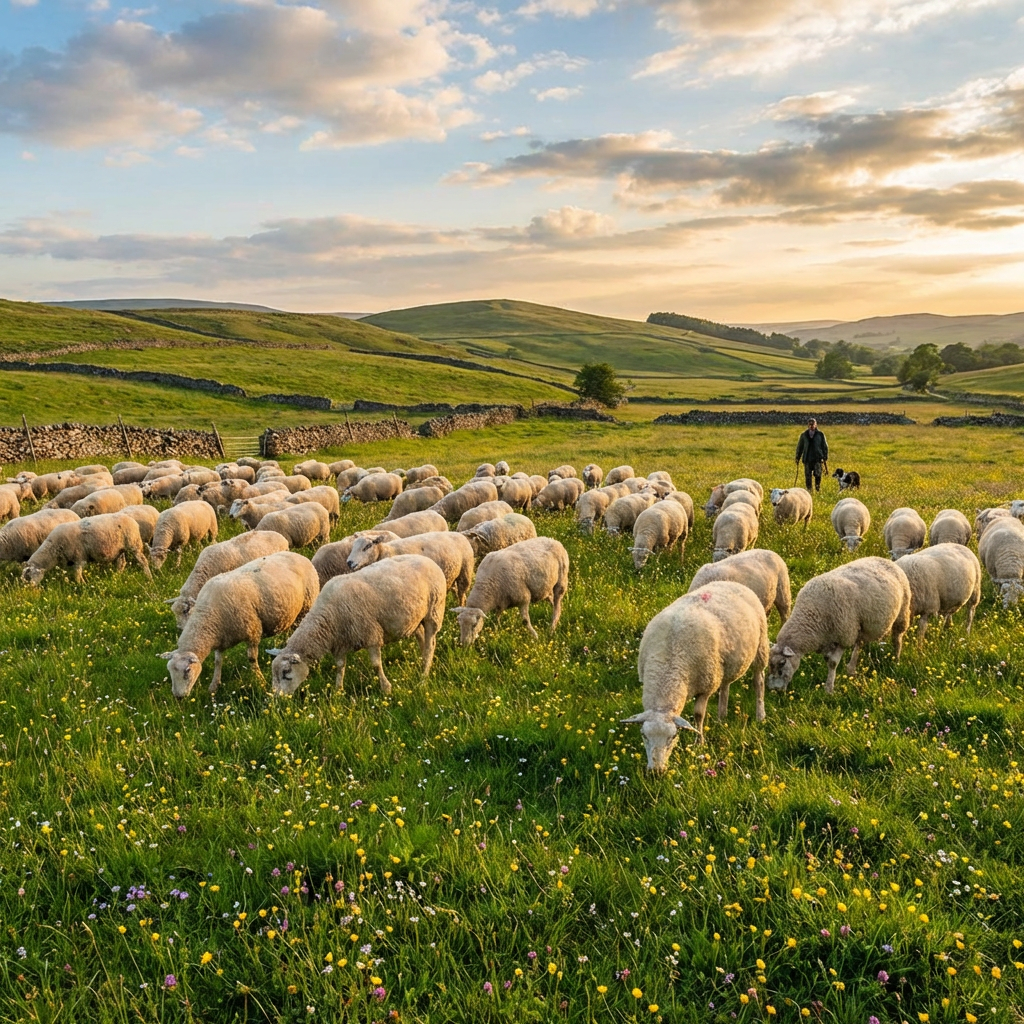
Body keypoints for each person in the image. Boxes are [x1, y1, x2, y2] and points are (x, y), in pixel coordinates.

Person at [795, 418, 829, 492]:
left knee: (818, 475)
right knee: (808, 476)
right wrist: (797, 457)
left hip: (817, 458)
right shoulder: (804, 435)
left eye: (813, 424)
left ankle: (817, 489)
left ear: (816, 425)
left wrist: (825, 456)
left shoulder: (820, 434)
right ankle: (809, 490)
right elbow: (800, 447)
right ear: (808, 425)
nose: (811, 426)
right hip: (807, 459)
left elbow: (824, 446)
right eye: (810, 424)